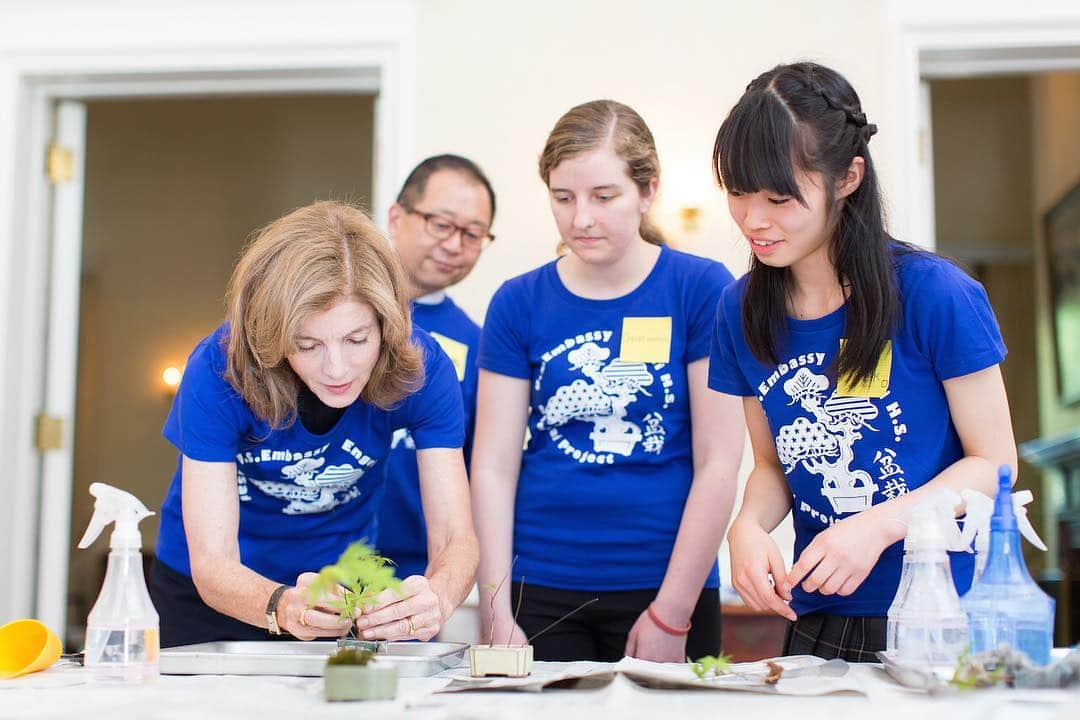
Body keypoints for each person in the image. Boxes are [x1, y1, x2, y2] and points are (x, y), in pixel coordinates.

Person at [708, 62, 1017, 661]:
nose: (753, 219)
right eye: (737, 193)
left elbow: (995, 464)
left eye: (778, 197)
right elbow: (773, 464)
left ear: (847, 178)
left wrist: (878, 526)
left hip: (939, 612)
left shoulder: (935, 294)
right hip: (818, 610)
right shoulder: (739, 309)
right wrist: (747, 527)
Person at [471, 100, 744, 662]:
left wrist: (673, 613)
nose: (581, 219)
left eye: (604, 196)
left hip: (667, 584)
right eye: (563, 197)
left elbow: (719, 461)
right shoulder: (518, 302)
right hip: (540, 585)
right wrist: (493, 608)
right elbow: (494, 466)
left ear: (648, 192)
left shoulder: (700, 289)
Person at [149, 201, 479, 647]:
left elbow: (456, 537)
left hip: (339, 591)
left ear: (387, 326)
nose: (337, 368)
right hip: (206, 595)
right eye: (307, 345)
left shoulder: (423, 366)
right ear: (272, 336)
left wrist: (437, 597)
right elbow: (213, 564)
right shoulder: (219, 368)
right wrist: (282, 605)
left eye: (356, 339)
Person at [375, 155, 494, 580]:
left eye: (473, 233)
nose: (454, 244)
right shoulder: (335, 314)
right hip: (307, 564)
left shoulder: (477, 345)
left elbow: (478, 471)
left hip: (411, 576)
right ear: (396, 217)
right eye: (441, 225)